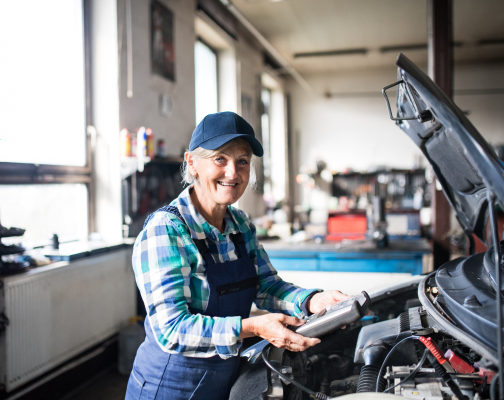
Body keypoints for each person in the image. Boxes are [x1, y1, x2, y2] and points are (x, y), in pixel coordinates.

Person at [125, 111, 349, 400]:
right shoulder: (166, 231)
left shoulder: (241, 224)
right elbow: (172, 329)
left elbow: (265, 286)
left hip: (222, 380)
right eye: (220, 159)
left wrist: (310, 300)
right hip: (169, 387)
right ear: (191, 162)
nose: (233, 173)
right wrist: (255, 326)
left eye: (242, 161)